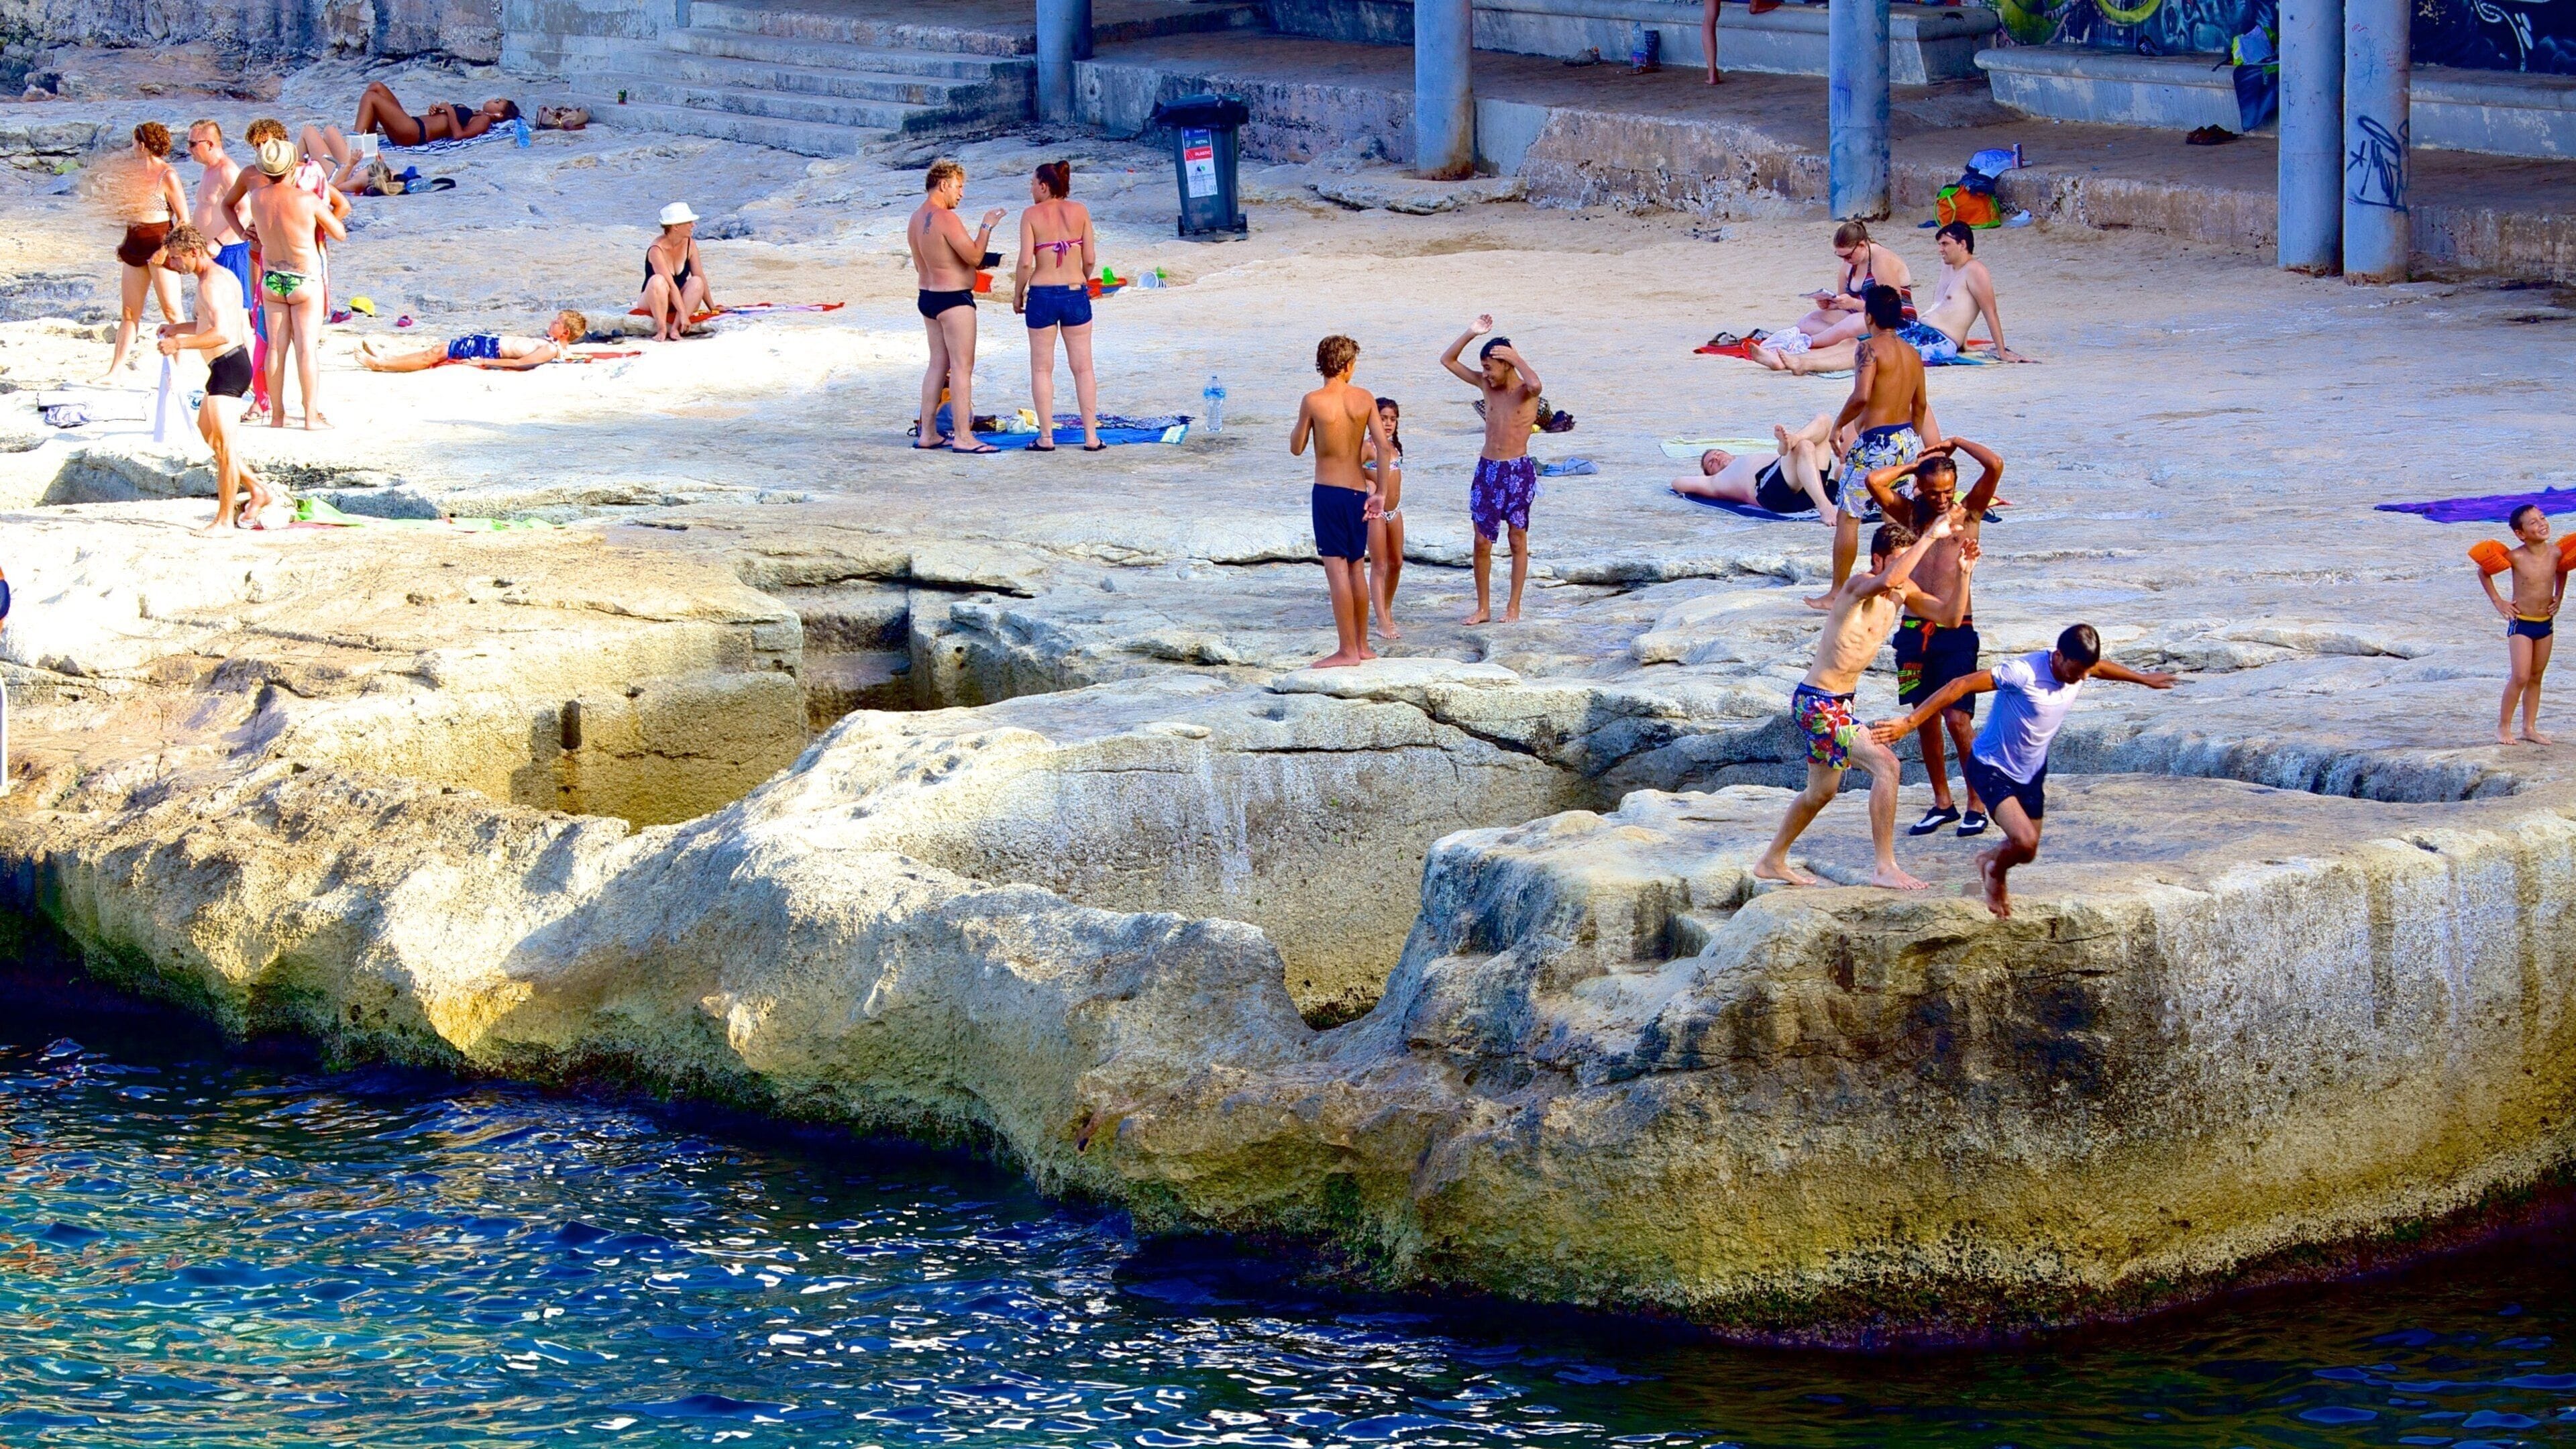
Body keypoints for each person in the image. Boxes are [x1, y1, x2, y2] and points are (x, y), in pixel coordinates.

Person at [1870, 625, 2180, 918]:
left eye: (2086, 672)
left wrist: (2143, 678)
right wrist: (1909, 723)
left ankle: (1990, 860)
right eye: (2076, 672)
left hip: (2031, 771)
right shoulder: (2023, 672)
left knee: (2027, 851)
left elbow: (2100, 668)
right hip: (1992, 767)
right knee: (2026, 841)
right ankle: (1994, 874)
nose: (2081, 678)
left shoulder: (2082, 668)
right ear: (2059, 656)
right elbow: (1959, 685)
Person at [1752, 513, 1958, 892]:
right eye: (1897, 559)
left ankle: (1771, 860)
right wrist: (1931, 535)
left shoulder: (1901, 591)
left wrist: (1965, 572)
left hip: (1840, 704)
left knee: (1821, 793)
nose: (1902, 568)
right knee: (1887, 765)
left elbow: (1950, 615)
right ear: (1878, 560)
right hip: (1817, 702)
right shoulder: (1858, 585)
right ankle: (1884, 867)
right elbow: (1891, 579)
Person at [1857, 439, 2004, 836]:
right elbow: (1873, 481)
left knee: (1958, 719)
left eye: (1947, 490)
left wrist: (1956, 443)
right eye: (1933, 490)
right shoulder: (1913, 517)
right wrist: (1911, 467)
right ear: (1921, 488)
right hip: (1912, 632)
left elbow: (1995, 465)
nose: (1941, 499)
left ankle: (1977, 802)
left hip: (1957, 629)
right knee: (1923, 720)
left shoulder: (1969, 511)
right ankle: (1943, 802)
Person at [1809, 284, 1943, 608]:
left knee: (1849, 516)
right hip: (1907, 437)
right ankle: (1901, 582)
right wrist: (1912, 439)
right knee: (1893, 510)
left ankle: (1837, 592)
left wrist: (1839, 425)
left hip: (1876, 442)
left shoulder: (1868, 349)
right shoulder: (1912, 353)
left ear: (1868, 316)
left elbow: (1862, 395)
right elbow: (1921, 405)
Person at [225, 119, 347, 423]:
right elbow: (339, 231)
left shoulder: (257, 198)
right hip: (304, 277)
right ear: (294, 166)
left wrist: (246, 234)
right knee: (306, 350)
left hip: (270, 278)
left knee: (275, 350)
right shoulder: (306, 200)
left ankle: (277, 416)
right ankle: (309, 416)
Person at [152, 225, 270, 533]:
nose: (174, 265)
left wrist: (178, 344)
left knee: (225, 449)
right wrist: (177, 328)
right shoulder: (217, 276)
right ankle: (257, 489)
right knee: (210, 436)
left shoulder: (210, 285)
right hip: (225, 366)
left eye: (177, 259)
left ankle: (222, 521)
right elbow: (208, 323)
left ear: (194, 253)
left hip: (229, 367)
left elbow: (221, 333)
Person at [1290, 335, 1389, 669]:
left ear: (1323, 364)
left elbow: (1297, 446)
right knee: (1355, 569)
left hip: (1329, 493)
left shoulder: (1313, 400)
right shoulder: (1364, 398)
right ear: (1348, 366)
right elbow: (1384, 448)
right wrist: (1381, 493)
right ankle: (1361, 646)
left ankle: (1346, 651)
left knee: (1336, 573)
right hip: (1359, 493)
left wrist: (1306, 419)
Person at [1440, 316, 1544, 624]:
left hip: (1518, 470)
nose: (1486, 373)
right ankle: (1483, 607)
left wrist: (1516, 357)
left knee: (1517, 539)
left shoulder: (1526, 391)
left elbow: (1537, 384)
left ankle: (1514, 606)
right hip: (1487, 470)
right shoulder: (1486, 384)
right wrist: (1471, 332)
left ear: (1507, 366)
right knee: (1482, 541)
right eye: (1483, 368)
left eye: (1490, 367)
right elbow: (1448, 360)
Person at [909, 159, 1005, 454]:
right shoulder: (946, 218)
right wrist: (987, 225)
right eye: (959, 187)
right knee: (962, 368)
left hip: (928, 297)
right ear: (944, 184)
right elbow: (975, 256)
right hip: (953, 300)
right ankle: (963, 437)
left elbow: (923, 262)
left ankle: (928, 433)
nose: (962, 194)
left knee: (937, 364)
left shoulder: (914, 219)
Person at [1012, 160, 1102, 452]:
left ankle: (1046, 438)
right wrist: (1080, 280)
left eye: (1032, 184)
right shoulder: (1081, 211)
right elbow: (1089, 258)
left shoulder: (1031, 215)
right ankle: (1091, 437)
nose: (1030, 189)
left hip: (1042, 294)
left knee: (1041, 369)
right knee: (1083, 367)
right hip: (1076, 292)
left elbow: (1026, 262)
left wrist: (1017, 294)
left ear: (1044, 186)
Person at [1747, 221, 1913, 370]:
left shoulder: (1881, 260)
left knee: (1851, 323)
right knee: (1809, 320)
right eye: (1841, 257)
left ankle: (1800, 346)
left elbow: (1892, 306)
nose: (1845, 261)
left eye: (1848, 256)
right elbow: (1845, 301)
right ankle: (1787, 348)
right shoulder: (1849, 265)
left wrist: (1854, 304)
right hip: (1860, 316)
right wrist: (1832, 304)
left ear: (1862, 246)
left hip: (1892, 319)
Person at [97, 121, 192, 382]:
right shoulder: (134, 173)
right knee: (129, 312)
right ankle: (115, 370)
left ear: (141, 144)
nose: (131, 146)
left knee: (172, 311)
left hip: (161, 240)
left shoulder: (167, 175)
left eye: (133, 141)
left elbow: (184, 218)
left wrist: (165, 249)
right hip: (136, 242)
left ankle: (179, 373)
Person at [2480, 502, 2565, 745]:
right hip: (2522, 624)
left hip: (2545, 624)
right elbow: (2483, 572)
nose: (2542, 524)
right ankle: (2503, 727)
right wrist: (2499, 602)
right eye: (2534, 523)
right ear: (2521, 534)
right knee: (2520, 676)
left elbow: (2563, 570)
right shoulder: (2516, 556)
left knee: (2537, 676)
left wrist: (2559, 596)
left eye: (2543, 518)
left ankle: (2529, 727)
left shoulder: (2556, 553)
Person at [1671, 413, 1842, 517]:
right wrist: (1705, 483)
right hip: (1773, 494)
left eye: (1718, 453)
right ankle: (1824, 506)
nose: (1717, 458)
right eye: (1711, 462)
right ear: (1709, 473)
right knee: (1805, 446)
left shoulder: (1747, 456)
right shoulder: (1715, 481)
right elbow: (1677, 483)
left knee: (1824, 420)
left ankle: (1793, 440)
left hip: (1806, 488)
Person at [184, 120, 254, 344]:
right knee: (216, 312)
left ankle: (252, 373)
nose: (189, 149)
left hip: (230, 250)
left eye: (193, 144)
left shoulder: (227, 170)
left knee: (240, 314)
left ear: (211, 144)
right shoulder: (209, 170)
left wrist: (218, 241)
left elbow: (246, 210)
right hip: (210, 253)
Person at [358, 311, 589, 372]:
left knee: (435, 354)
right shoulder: (550, 343)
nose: (552, 322)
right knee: (437, 350)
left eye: (557, 322)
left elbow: (521, 363)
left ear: (565, 333)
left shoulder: (550, 348)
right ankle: (388, 359)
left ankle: (381, 365)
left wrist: (483, 362)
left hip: (487, 350)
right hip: (488, 343)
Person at [350, 81, 519, 147]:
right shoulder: (476, 112)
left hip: (415, 133)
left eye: (497, 102)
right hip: (412, 123)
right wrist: (436, 110)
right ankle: (367, 142)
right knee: (376, 87)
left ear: (498, 115)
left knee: (370, 98)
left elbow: (459, 135)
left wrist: (451, 111)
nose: (492, 100)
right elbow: (443, 118)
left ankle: (355, 147)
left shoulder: (484, 120)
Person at [1364, 396, 1405, 639]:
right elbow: (1349, 468)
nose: (1388, 423)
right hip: (1377, 512)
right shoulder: (1368, 447)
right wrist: (1369, 481)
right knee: (1379, 564)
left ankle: (1387, 608)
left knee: (1397, 562)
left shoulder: (1394, 447)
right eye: (1382, 419)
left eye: (1393, 419)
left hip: (1395, 509)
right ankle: (1381, 620)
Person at [641, 203, 712, 343]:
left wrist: (713, 308)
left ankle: (675, 328)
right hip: (655, 297)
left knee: (697, 281)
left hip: (679, 297)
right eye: (689, 222)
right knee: (658, 280)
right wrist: (684, 313)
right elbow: (671, 284)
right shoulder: (657, 249)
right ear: (676, 227)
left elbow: (700, 275)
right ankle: (662, 328)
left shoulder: (690, 243)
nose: (693, 225)